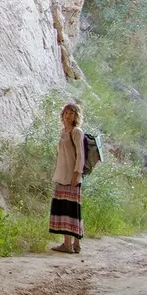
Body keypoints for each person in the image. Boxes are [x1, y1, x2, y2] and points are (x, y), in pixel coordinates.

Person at [51, 102, 85, 254]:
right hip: (62, 175)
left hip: (71, 177)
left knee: (70, 210)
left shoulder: (76, 132)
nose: (68, 115)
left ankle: (68, 244)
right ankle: (74, 244)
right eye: (66, 113)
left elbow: (80, 155)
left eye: (71, 113)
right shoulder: (64, 131)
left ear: (76, 116)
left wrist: (76, 174)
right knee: (67, 210)